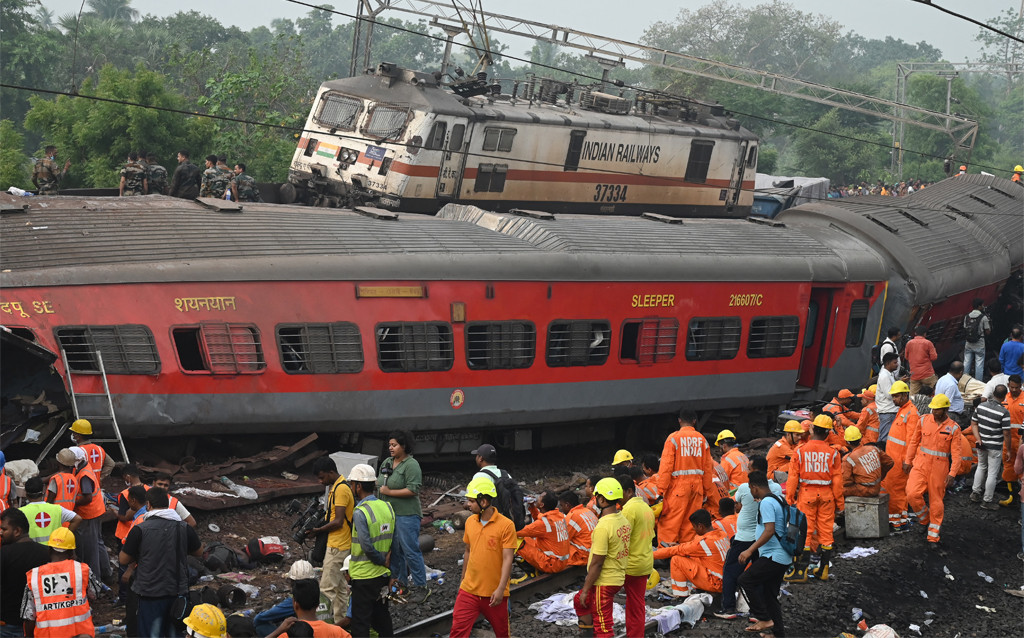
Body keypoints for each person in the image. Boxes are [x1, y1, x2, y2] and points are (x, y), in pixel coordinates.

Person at [119, 487, 203, 638]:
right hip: (177, 591)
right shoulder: (183, 528)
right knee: (175, 631)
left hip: (150, 593)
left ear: (149, 505)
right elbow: (199, 552)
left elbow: (123, 559)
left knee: (152, 633)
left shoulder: (140, 529)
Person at [715, 456, 781, 620]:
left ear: (756, 472)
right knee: (758, 574)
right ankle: (757, 612)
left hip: (744, 538)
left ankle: (728, 608)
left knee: (730, 572)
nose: (747, 472)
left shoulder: (745, 488)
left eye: (749, 469)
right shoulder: (777, 489)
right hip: (763, 540)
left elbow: (735, 504)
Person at [450, 477, 516, 638]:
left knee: (502, 633)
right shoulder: (470, 522)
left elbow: (508, 559)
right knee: (457, 632)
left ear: (484, 502)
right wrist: (462, 580)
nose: (468, 505)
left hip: (494, 593)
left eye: (472, 501)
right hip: (469, 590)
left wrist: (500, 589)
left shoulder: (506, 526)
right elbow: (468, 551)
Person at [785, 416, 843, 582]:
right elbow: (838, 480)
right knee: (826, 533)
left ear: (812, 430)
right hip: (827, 496)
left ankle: (800, 572)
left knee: (805, 532)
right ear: (827, 433)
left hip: (807, 494)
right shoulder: (833, 453)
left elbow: (793, 477)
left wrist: (790, 498)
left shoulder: (800, 451)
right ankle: (823, 569)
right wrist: (840, 503)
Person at [905, 394, 966, 545]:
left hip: (940, 468)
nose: (934, 412)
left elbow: (957, 455)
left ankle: (933, 535)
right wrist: (908, 460)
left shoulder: (953, 428)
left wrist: (952, 474)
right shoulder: (924, 420)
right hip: (921, 464)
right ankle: (925, 519)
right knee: (912, 494)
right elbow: (914, 442)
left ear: (945, 409)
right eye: (933, 409)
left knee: (936, 502)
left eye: (937, 410)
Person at [737, 471, 792, 638]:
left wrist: (749, 550)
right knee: (770, 595)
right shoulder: (778, 498)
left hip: (774, 556)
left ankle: (763, 618)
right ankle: (778, 634)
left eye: (750, 489)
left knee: (745, 579)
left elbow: (769, 531)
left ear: (754, 488)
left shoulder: (766, 503)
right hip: (782, 555)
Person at [573, 478, 630, 638]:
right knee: (579, 600)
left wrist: (586, 590)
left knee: (603, 627)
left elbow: (597, 563)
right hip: (617, 577)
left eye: (596, 496)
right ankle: (587, 634)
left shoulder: (603, 526)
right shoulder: (623, 520)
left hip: (604, 581)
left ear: (602, 499)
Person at [377, 431, 428, 603]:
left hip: (407, 515)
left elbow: (413, 489)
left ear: (404, 446)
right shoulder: (387, 462)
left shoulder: (411, 465)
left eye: (394, 445)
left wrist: (389, 492)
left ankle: (422, 587)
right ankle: (400, 586)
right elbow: (379, 484)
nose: (390, 448)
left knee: (410, 550)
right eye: (389, 445)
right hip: (390, 515)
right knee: (396, 552)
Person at [22, 528, 97, 638]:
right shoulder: (82, 570)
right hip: (80, 633)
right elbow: (94, 594)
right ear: (72, 552)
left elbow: (28, 616)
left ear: (49, 550)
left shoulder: (35, 575)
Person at [347, 463, 394, 638]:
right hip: (382, 575)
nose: (351, 487)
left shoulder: (360, 512)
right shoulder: (387, 507)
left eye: (352, 484)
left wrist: (381, 560)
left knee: (360, 623)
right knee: (381, 618)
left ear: (358, 486)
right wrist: (389, 566)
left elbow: (366, 546)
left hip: (364, 575)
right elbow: (393, 542)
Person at [308, 457, 354, 624]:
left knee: (327, 589)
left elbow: (338, 521)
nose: (321, 481)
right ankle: (340, 623)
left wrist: (318, 531)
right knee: (341, 588)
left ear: (331, 472)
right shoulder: (337, 487)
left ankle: (325, 628)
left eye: (322, 477)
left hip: (338, 545)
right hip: (342, 544)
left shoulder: (341, 489)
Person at [657, 409, 714, 545]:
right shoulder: (702, 440)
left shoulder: (674, 438)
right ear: (695, 421)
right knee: (690, 523)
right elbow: (707, 468)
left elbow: (666, 467)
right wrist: (707, 490)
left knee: (670, 521)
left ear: (679, 420)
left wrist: (661, 491)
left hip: (678, 488)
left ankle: (665, 554)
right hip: (697, 488)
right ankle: (685, 550)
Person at [653, 508, 727, 596]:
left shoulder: (703, 543)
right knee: (692, 556)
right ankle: (698, 588)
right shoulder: (721, 534)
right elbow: (691, 548)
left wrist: (649, 555)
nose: (694, 530)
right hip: (726, 580)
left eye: (694, 527)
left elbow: (674, 551)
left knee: (676, 560)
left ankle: (681, 595)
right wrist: (679, 545)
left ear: (700, 526)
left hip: (717, 583)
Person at [616, 474, 654, 638]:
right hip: (644, 563)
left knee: (600, 596)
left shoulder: (629, 510)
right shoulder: (646, 508)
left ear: (629, 491)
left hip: (629, 565)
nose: (617, 497)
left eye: (619, 492)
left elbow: (620, 538)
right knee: (636, 606)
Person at [2, 508, 51, 635]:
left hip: (8, 624)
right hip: (39, 622)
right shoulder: (47, 553)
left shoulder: (4, 554)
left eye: (4, 529)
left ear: (17, 531)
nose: (1, 532)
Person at [252, 560, 333, 636]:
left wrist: (279, 630)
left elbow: (259, 619)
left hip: (305, 634)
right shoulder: (325, 598)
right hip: (326, 632)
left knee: (260, 625)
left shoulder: (295, 600)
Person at [67, 446, 110, 584]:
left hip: (89, 513)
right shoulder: (83, 467)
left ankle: (95, 581)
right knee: (97, 542)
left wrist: (72, 503)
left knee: (90, 549)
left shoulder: (84, 474)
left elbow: (87, 498)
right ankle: (106, 573)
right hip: (96, 510)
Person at [882, 380, 920, 533]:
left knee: (897, 491)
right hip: (894, 460)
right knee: (894, 490)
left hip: (900, 461)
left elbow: (912, 440)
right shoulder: (903, 410)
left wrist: (907, 461)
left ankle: (898, 523)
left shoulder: (911, 413)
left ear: (905, 395)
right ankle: (897, 520)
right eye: (893, 396)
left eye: (896, 396)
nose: (894, 399)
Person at [266, 580, 350, 638]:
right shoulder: (339, 633)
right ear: (318, 603)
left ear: (295, 604)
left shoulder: (287, 635)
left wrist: (278, 631)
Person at [515, 491, 569, 574]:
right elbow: (540, 521)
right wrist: (532, 506)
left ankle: (531, 572)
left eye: (539, 498)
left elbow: (518, 532)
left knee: (516, 540)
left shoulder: (545, 523)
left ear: (542, 505)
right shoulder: (558, 516)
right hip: (561, 561)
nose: (536, 498)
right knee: (527, 539)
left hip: (551, 564)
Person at [19, 477, 82, 544]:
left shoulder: (20, 513)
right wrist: (64, 537)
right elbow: (78, 519)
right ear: (43, 491)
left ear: (26, 494)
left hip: (32, 551)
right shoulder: (57, 509)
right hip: (53, 550)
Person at [842, 427, 894, 497]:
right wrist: (879, 475)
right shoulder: (874, 448)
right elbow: (889, 462)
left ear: (846, 442)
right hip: (877, 487)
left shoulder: (848, 458)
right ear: (860, 438)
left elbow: (845, 481)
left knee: (838, 489)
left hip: (863, 490)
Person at [558, 490, 597, 567]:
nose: (561, 509)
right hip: (595, 552)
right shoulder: (587, 511)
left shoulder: (572, 516)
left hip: (584, 556)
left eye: (561, 506)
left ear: (567, 505)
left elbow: (561, 541)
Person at [1001, 375, 1024, 507]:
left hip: (1022, 440)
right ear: (1008, 385)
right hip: (1008, 440)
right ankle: (1012, 495)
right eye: (1012, 387)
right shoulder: (1004, 398)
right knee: (1008, 466)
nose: (1014, 390)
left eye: (1016, 387)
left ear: (1021, 385)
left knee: (1022, 468)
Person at [114, 465, 148, 547]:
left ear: (128, 477)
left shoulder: (126, 493)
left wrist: (113, 510)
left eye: (124, 478)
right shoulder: (150, 490)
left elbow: (123, 517)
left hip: (126, 535)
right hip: (146, 533)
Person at [875, 352, 902, 445]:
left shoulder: (889, 374)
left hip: (890, 411)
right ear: (888, 363)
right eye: (895, 363)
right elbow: (889, 394)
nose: (897, 365)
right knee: (884, 439)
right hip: (888, 412)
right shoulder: (884, 376)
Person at [904, 326, 938, 395]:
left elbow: (906, 357)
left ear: (915, 333)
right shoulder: (928, 343)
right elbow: (934, 357)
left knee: (913, 396)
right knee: (934, 392)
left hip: (914, 374)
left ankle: (912, 405)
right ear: (925, 334)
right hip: (927, 374)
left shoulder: (909, 343)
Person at [963, 299, 991, 380]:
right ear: (979, 306)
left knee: (966, 362)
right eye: (982, 305)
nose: (983, 307)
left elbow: (965, 328)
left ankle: (964, 381)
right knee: (979, 364)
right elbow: (987, 331)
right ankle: (978, 382)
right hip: (979, 343)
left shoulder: (967, 316)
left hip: (968, 343)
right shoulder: (983, 317)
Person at [935, 362, 966, 426]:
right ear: (960, 373)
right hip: (951, 414)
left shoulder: (942, 378)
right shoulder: (951, 385)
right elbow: (947, 403)